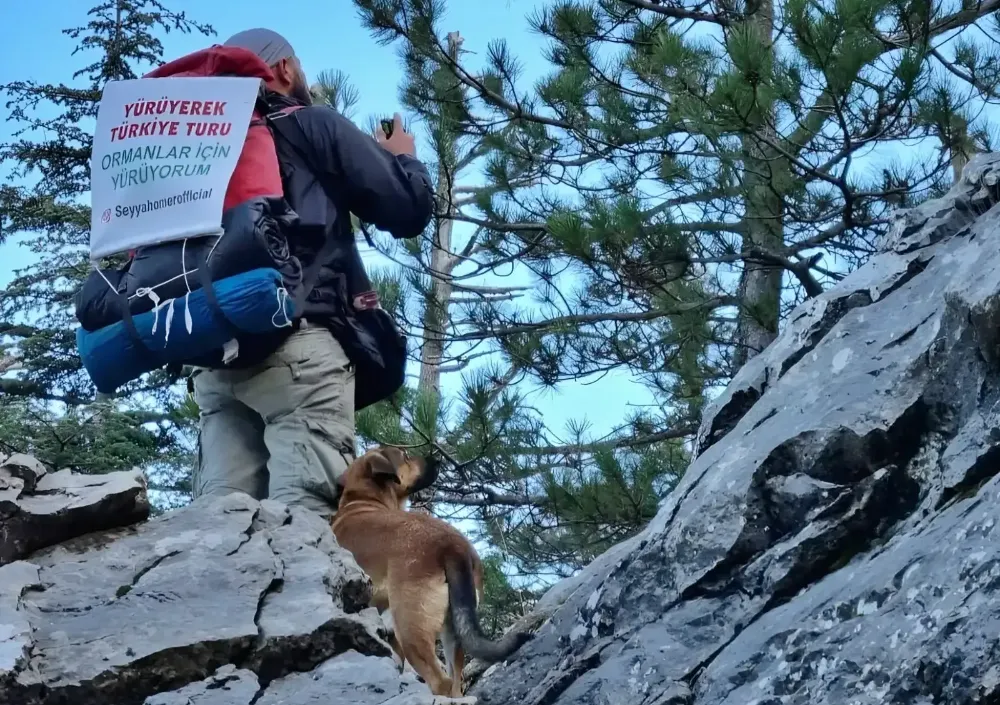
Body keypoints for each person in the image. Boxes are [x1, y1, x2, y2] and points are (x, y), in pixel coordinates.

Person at [189, 28, 434, 518]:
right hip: (298, 347)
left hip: (215, 358)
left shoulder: (201, 148)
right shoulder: (309, 123)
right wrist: (402, 157)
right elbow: (408, 210)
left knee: (219, 526)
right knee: (305, 523)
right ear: (283, 69)